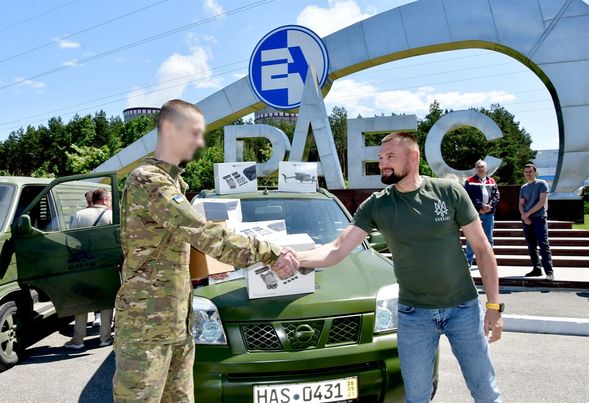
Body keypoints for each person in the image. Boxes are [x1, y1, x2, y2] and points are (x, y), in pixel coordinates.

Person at [113, 99, 298, 403]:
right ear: (169, 129)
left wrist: (211, 266)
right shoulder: (148, 180)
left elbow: (178, 243)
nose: (200, 142)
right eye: (195, 133)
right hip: (145, 325)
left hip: (177, 321)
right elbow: (200, 231)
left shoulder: (173, 182)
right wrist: (270, 252)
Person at [298, 132, 503, 403]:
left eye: (390, 157)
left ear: (413, 157)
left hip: (463, 309)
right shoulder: (377, 205)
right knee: (416, 398)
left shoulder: (449, 192)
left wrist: (493, 306)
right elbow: (337, 249)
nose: (382, 164)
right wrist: (293, 258)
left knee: (486, 392)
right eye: (381, 158)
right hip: (414, 315)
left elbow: (483, 250)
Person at [64, 188, 115, 349]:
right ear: (105, 200)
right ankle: (105, 338)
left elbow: (72, 240)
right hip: (106, 264)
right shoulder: (111, 215)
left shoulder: (80, 215)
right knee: (106, 301)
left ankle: (78, 339)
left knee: (82, 300)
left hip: (84, 264)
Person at [519, 164, 554, 280]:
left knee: (543, 244)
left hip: (539, 218)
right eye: (526, 172)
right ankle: (536, 269)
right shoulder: (523, 187)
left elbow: (541, 202)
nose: (528, 173)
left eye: (530, 171)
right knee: (531, 245)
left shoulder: (541, 183)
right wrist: (524, 216)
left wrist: (527, 214)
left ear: (535, 172)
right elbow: (521, 204)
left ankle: (549, 271)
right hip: (527, 220)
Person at [464, 160, 500, 267]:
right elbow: (468, 197)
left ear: (485, 168)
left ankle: (488, 261)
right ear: (475, 169)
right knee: (472, 237)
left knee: (489, 237)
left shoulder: (491, 181)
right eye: (478, 167)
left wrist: (490, 207)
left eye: (482, 167)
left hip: (489, 213)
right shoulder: (470, 181)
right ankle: (468, 261)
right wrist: (480, 206)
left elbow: (496, 196)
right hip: (475, 214)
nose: (480, 169)